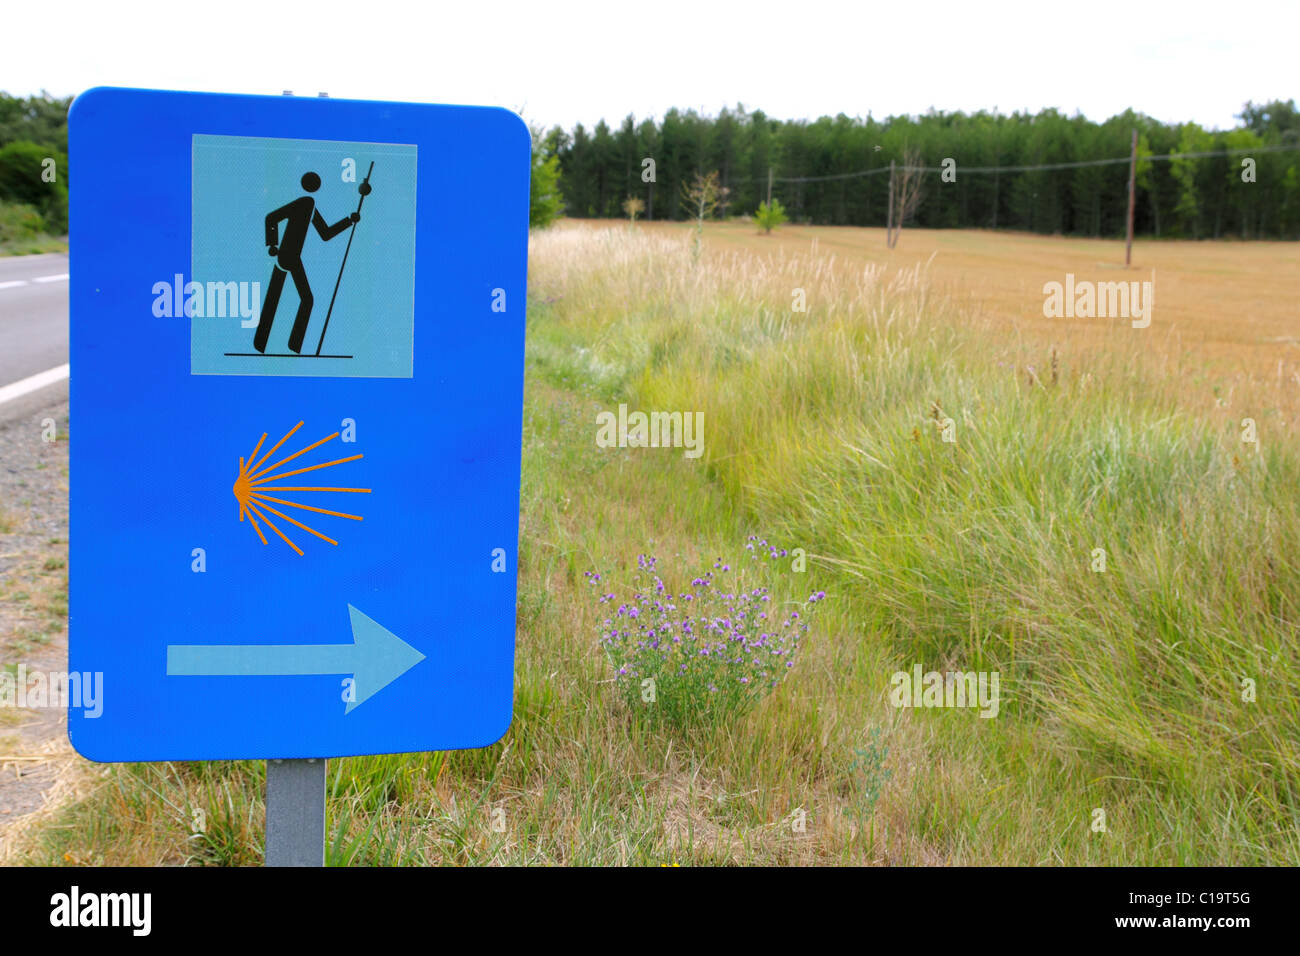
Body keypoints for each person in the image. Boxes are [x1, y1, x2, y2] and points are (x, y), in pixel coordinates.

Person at [253, 172, 368, 353]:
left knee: (293, 298)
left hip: (293, 258)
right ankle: (270, 345)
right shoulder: (303, 203)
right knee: (289, 298)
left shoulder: (311, 206)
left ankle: (287, 346)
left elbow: (325, 233)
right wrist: (273, 245)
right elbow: (271, 218)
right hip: (284, 256)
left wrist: (349, 220)